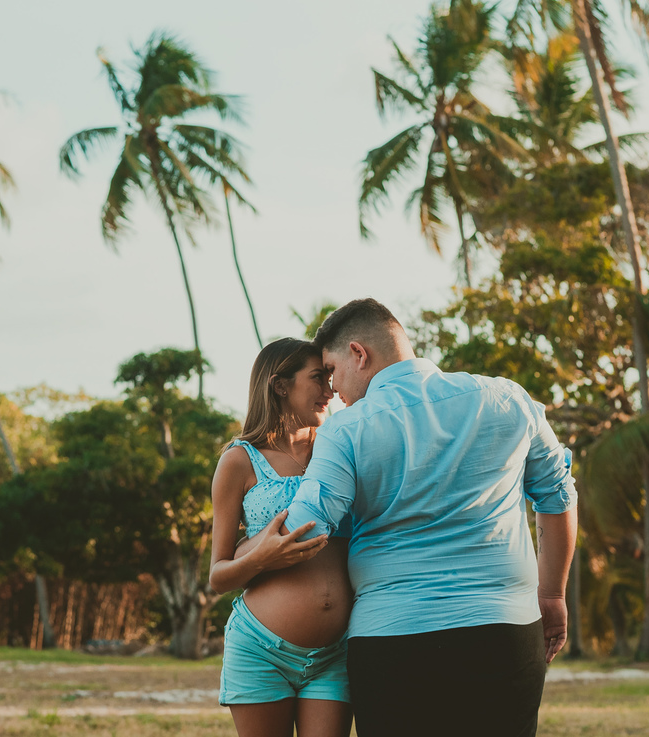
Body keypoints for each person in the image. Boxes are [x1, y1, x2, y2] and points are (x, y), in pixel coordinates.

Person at [283, 298, 578, 737]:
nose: (333, 389)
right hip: (504, 631)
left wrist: (238, 555)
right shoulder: (506, 398)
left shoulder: (345, 430)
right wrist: (551, 595)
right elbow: (557, 496)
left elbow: (305, 528)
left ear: (359, 354)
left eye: (331, 371)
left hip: (392, 640)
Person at [208, 337, 353, 737]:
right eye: (317, 379)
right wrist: (259, 559)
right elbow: (218, 576)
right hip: (260, 651)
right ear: (280, 386)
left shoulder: (340, 449)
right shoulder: (239, 461)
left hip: (335, 654)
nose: (330, 390)